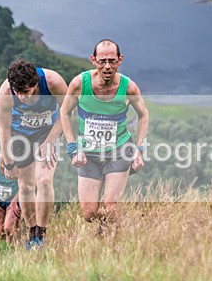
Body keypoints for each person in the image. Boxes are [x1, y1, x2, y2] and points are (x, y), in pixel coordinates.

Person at [59, 39, 149, 235]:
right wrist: (72, 147)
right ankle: (106, 228)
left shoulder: (129, 87)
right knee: (89, 214)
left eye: (112, 60)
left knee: (111, 208)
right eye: (102, 61)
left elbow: (143, 115)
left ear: (120, 60)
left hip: (119, 150)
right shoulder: (79, 84)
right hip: (89, 153)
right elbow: (65, 112)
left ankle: (109, 241)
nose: (107, 66)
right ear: (93, 60)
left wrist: (140, 149)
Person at [0, 58, 68, 249]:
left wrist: (49, 142)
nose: (22, 98)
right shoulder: (6, 92)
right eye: (18, 93)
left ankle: (41, 236)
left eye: (26, 92)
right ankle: (31, 235)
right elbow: (3, 130)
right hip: (20, 135)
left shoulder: (52, 82)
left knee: (44, 180)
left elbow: (68, 112)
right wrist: (9, 162)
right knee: (26, 186)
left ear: (35, 84)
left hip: (48, 131)